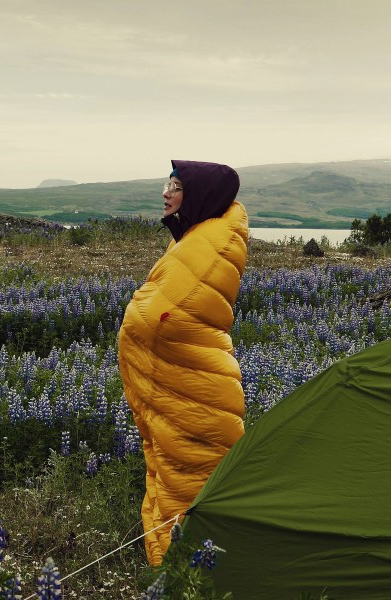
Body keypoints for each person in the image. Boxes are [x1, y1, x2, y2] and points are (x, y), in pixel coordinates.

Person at [118, 160, 248, 566]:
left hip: (199, 392)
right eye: (166, 184)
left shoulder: (212, 244)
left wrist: (137, 316)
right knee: (166, 477)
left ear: (197, 197)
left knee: (190, 489)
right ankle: (169, 575)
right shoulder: (192, 239)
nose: (165, 193)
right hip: (182, 387)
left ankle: (179, 577)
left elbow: (167, 317)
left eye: (175, 186)